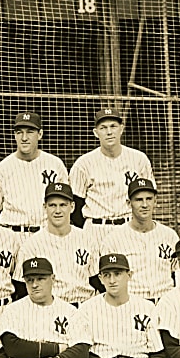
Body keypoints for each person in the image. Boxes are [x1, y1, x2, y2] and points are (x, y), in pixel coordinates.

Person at [69, 107, 153, 251]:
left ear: (121, 129)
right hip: (96, 228)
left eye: (113, 126)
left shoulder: (139, 159)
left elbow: (147, 198)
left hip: (128, 226)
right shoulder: (83, 164)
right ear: (96, 133)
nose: (109, 132)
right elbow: (75, 205)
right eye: (103, 127)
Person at [0, 111, 67, 245]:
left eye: (30, 132)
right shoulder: (0, 170)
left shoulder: (55, 164)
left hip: (46, 235)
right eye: (19, 132)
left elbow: (66, 206)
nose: (24, 137)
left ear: (40, 134)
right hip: (12, 236)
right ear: (14, 135)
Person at [16, 183, 98, 305]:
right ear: (45, 207)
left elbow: (96, 280)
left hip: (83, 306)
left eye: (63, 205)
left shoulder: (87, 239)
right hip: (51, 309)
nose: (58, 211)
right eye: (52, 205)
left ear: (72, 206)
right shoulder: (31, 245)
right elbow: (22, 287)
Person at [100, 178, 179, 302]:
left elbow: (177, 274)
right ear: (128, 203)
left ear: (155, 201)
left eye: (149, 199)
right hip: (133, 302)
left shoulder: (169, 235)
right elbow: (108, 281)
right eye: (138, 200)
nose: (145, 205)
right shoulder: (113, 239)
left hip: (165, 301)